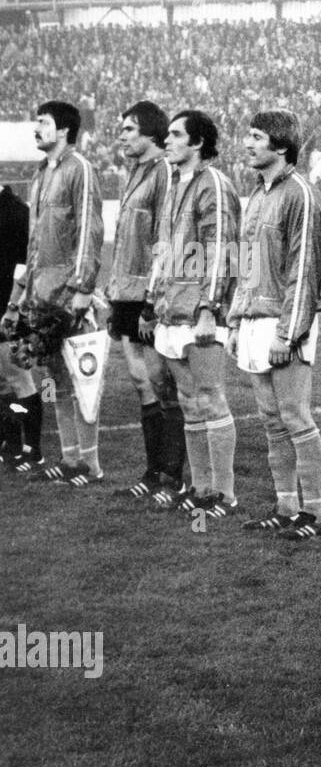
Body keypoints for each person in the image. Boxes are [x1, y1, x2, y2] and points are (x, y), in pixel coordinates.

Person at [228, 110, 321, 540]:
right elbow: (245, 264)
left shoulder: (300, 194)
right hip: (252, 318)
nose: (247, 143)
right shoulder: (257, 195)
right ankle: (286, 507)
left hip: (284, 321)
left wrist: (288, 333)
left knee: (295, 416)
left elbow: (304, 270)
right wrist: (233, 319)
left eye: (256, 137)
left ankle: (316, 514)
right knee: (271, 420)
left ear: (281, 147)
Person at [143, 109, 242, 519]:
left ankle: (225, 493)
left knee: (210, 398)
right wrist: (151, 301)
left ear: (198, 142)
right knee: (188, 401)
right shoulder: (172, 183)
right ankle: (200, 488)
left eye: (176, 135)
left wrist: (210, 309)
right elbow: (163, 250)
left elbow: (222, 250)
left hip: (200, 312)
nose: (167, 141)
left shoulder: (214, 184)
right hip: (171, 309)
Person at [2, 100, 104, 488]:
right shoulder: (39, 174)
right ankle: (70, 458)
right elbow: (32, 245)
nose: (36, 128)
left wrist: (82, 288)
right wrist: (22, 294)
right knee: (56, 380)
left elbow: (89, 233)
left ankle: (91, 466)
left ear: (64, 130)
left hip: (69, 294)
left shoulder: (82, 169)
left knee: (83, 379)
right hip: (42, 295)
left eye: (43, 122)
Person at [106, 100, 186, 504]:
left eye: (129, 129)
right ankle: (153, 471)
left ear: (152, 134)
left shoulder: (163, 174)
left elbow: (165, 242)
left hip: (146, 295)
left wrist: (151, 302)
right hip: (124, 291)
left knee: (161, 383)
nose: (122, 135)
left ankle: (173, 475)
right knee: (141, 383)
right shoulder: (134, 173)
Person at [0, 182, 42, 472]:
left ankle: (34, 449)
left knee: (18, 378)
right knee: (3, 383)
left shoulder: (17, 212)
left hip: (10, 308)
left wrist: (14, 307)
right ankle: (11, 444)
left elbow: (28, 264)